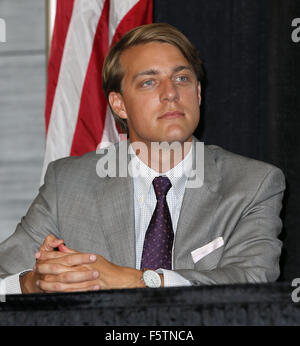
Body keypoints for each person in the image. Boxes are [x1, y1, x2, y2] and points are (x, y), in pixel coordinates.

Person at [0, 23, 285, 294]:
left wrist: (139, 281)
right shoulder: (67, 184)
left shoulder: (252, 184)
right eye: (149, 82)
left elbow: (253, 280)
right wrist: (33, 284)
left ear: (198, 93)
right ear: (119, 104)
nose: (171, 93)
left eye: (182, 78)